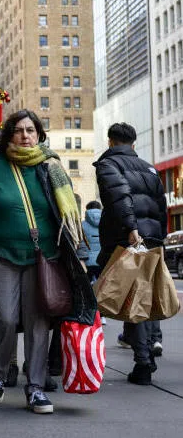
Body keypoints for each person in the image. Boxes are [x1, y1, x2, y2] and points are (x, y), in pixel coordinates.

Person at [0, 109, 96, 414]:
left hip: (44, 257)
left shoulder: (50, 167)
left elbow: (66, 214)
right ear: (8, 135)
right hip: (0, 254)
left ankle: (36, 386)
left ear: (39, 134)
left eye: (31, 130)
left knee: (40, 321)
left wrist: (76, 252)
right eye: (18, 130)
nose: (25, 136)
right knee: (6, 318)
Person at [94, 122, 167, 385]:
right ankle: (146, 355)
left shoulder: (108, 165)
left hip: (126, 240)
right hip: (151, 239)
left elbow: (119, 198)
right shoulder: (149, 167)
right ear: (133, 144)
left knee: (131, 300)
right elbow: (161, 205)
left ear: (111, 142)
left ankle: (144, 362)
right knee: (142, 299)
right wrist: (161, 237)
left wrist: (130, 228)